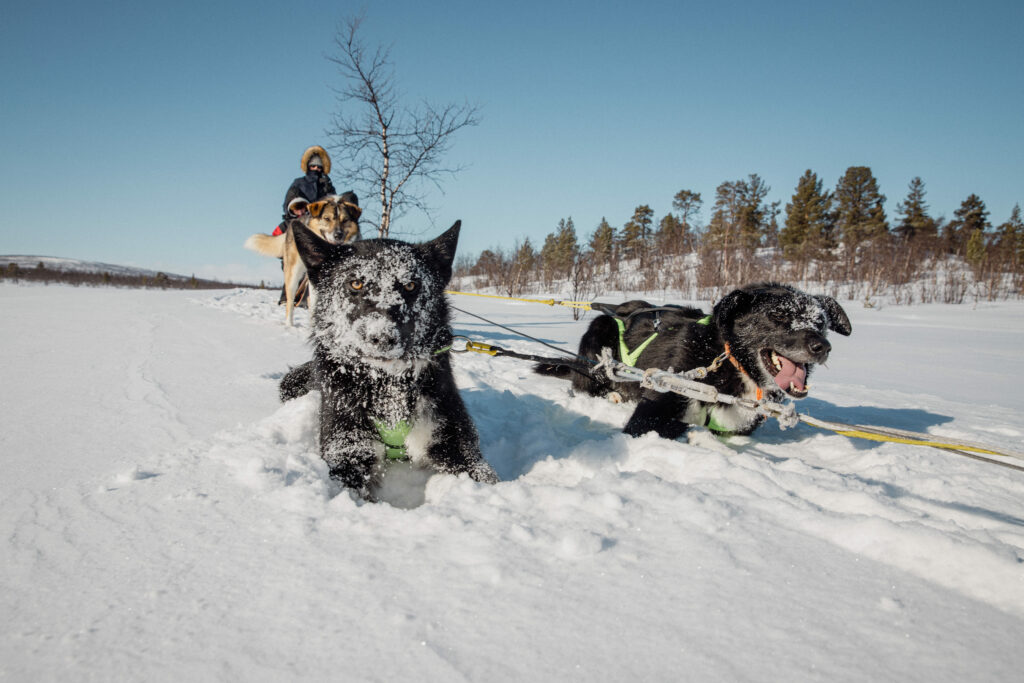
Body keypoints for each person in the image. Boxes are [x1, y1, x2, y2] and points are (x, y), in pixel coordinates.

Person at [274, 145, 337, 304]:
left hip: (319, 227)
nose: (315, 169)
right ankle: (287, 299)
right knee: (294, 266)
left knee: (318, 265)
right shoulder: (299, 183)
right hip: (299, 223)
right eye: (313, 166)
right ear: (307, 167)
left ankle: (312, 299)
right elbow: (290, 201)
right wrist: (297, 209)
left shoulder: (328, 185)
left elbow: (333, 206)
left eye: (318, 166)